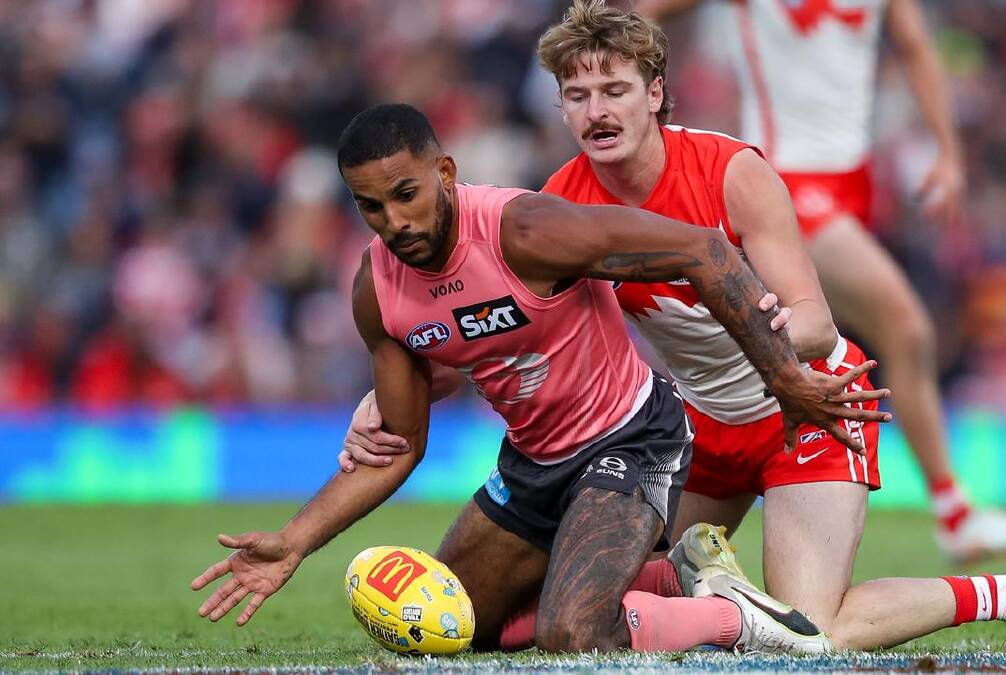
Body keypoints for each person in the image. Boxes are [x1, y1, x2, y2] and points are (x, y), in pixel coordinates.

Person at [337, 0, 1006, 653]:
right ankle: (714, 580)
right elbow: (504, 334)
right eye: (577, 94)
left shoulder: (731, 172)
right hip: (699, 428)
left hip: (809, 404)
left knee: (816, 630)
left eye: (614, 89)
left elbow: (811, 318)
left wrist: (763, 342)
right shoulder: (559, 203)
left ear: (655, 92)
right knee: (571, 606)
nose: (596, 110)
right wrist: (396, 395)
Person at [190, 102, 890, 654]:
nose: (394, 222)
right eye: (370, 207)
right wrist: (293, 541)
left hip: (633, 438)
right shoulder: (376, 289)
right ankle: (680, 574)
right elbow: (401, 444)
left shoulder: (525, 231)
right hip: (533, 463)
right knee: (456, 624)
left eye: (406, 194)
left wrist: (787, 377)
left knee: (573, 632)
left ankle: (732, 617)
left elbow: (701, 249)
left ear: (445, 171)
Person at [633, 0, 1006, 563]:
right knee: (904, 326)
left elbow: (916, 48)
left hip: (852, 179)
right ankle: (954, 513)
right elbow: (643, 14)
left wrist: (948, 152)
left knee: (830, 338)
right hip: (784, 177)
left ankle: (738, 462)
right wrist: (649, 115)